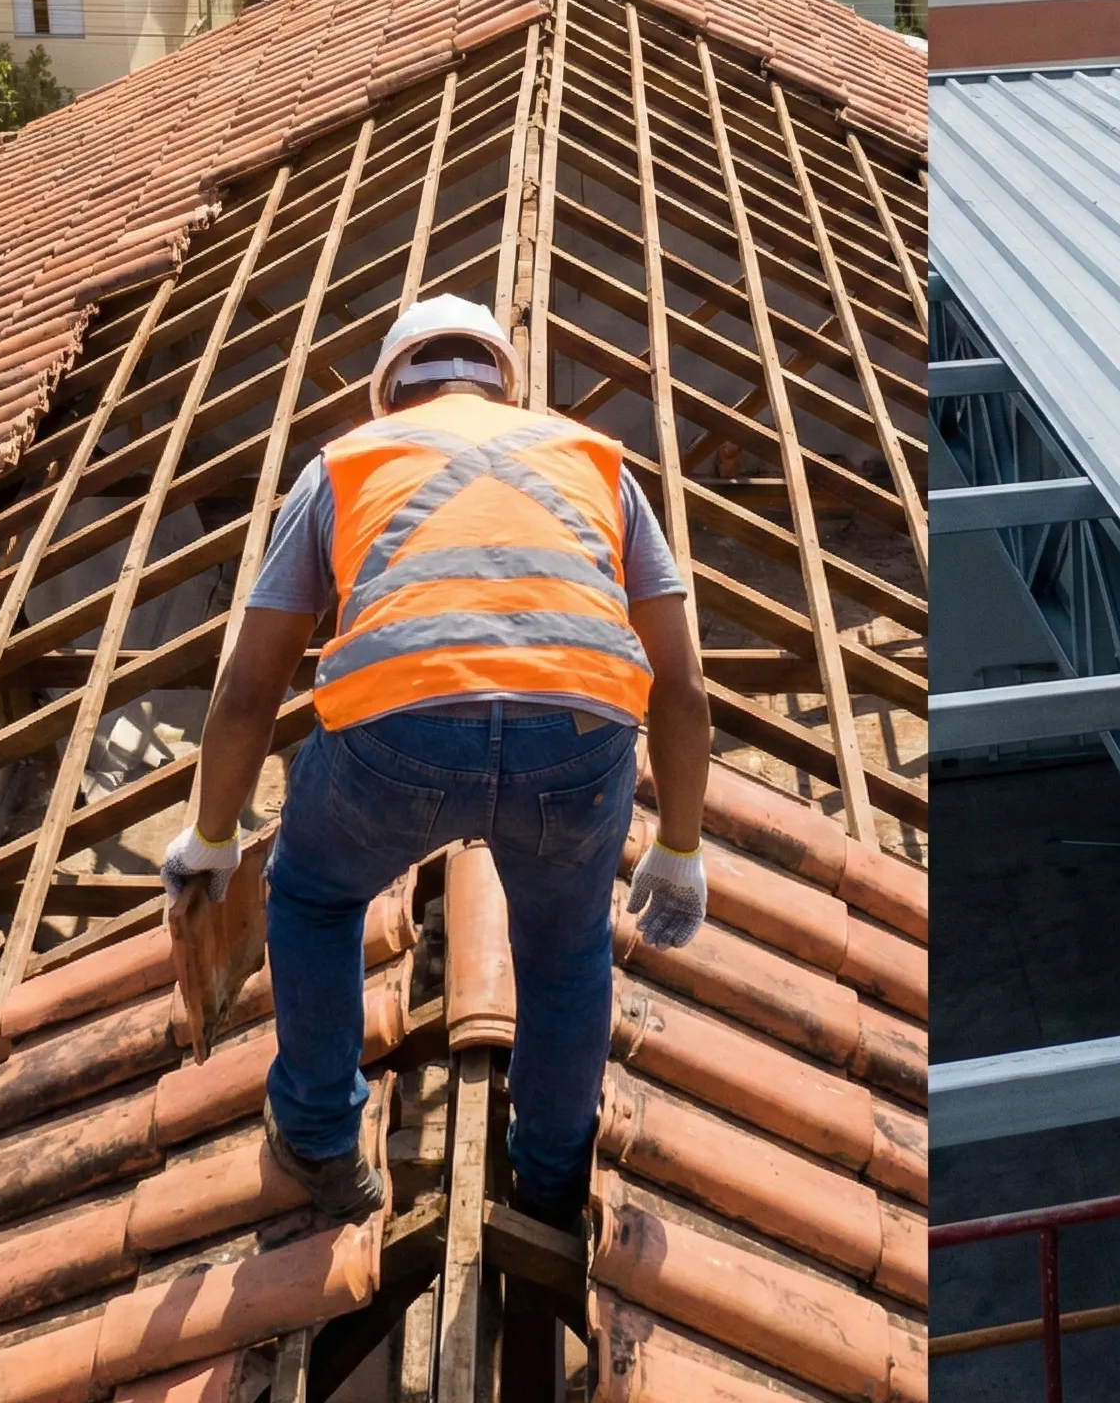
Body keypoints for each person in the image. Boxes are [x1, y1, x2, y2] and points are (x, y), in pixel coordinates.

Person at [161, 295, 712, 1229]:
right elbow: (683, 689)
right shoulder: (596, 463)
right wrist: (684, 848)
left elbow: (249, 689)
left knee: (315, 896)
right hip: (575, 740)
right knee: (565, 951)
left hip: (397, 738)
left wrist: (212, 837)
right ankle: (545, 1178)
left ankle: (325, 1145)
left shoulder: (345, 465)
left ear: (389, 394)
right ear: (504, 382)